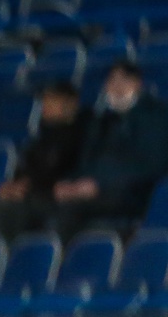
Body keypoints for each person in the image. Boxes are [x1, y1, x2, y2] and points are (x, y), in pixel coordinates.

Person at [46, 61, 168, 238]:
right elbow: (87, 160)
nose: (117, 87)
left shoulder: (155, 117)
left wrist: (99, 185)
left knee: (68, 212)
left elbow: (150, 166)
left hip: (132, 193)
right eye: (112, 81)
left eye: (124, 80)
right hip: (95, 189)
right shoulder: (101, 121)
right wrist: (70, 183)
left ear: (137, 84)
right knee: (39, 204)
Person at [0, 81, 90, 238]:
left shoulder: (82, 134)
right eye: (44, 100)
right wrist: (12, 186)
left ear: (70, 103)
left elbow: (66, 171)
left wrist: (28, 187)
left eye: (52, 99)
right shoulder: (42, 136)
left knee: (9, 211)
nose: (45, 105)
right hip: (33, 195)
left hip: (54, 198)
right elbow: (27, 168)